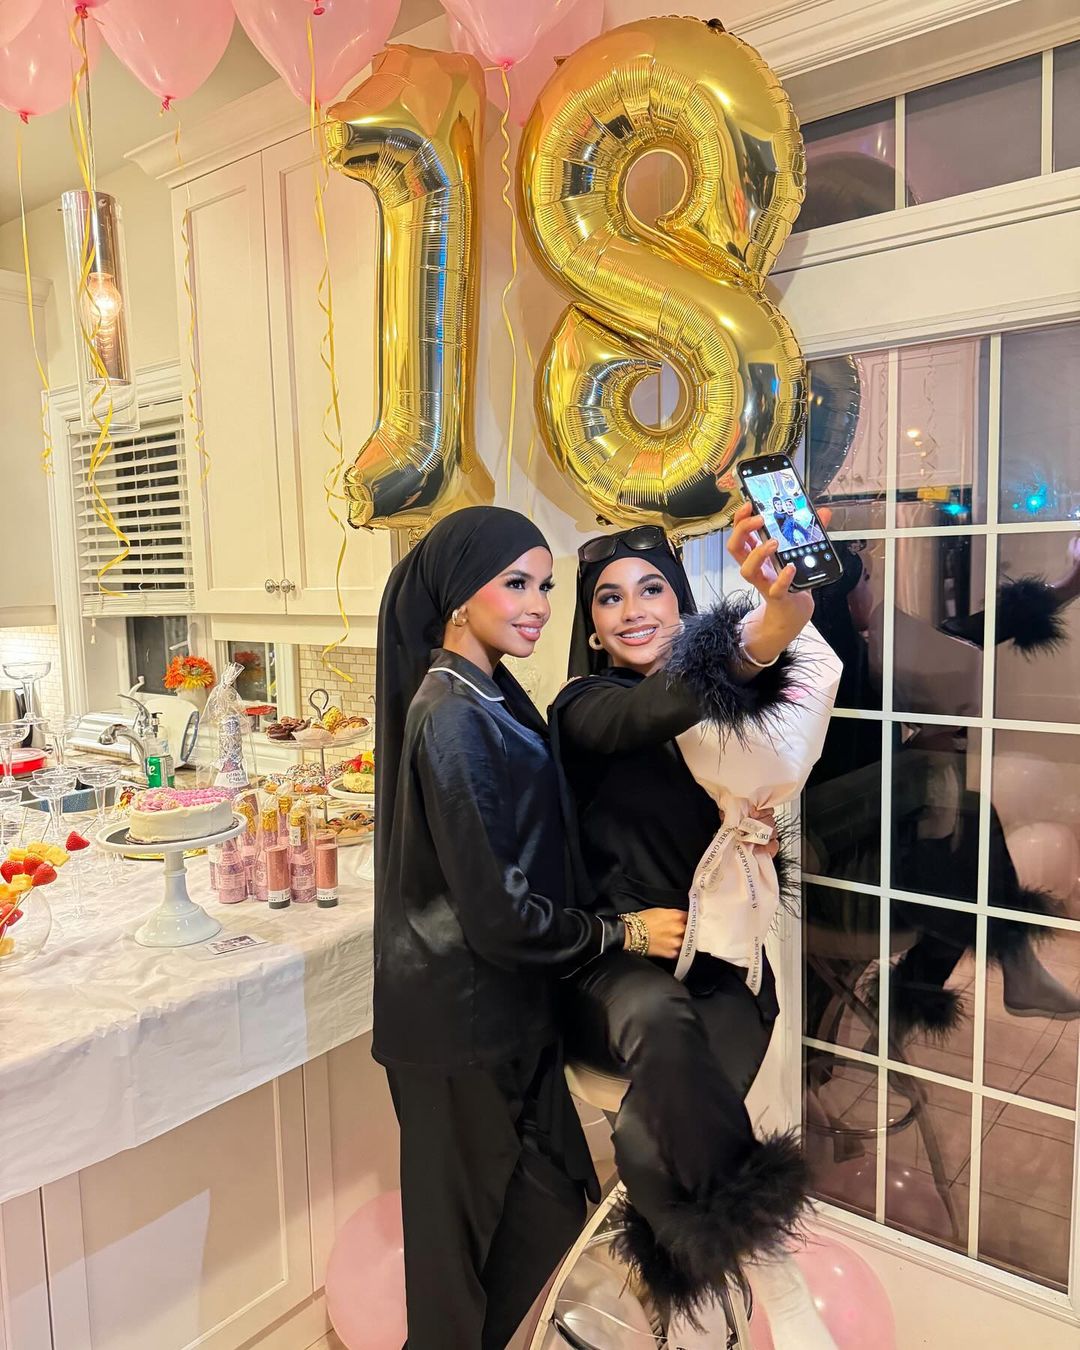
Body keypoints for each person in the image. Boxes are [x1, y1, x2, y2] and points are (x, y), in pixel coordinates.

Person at [373, 506, 686, 1350]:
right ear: (457, 595)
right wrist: (623, 935)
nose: (539, 605)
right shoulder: (452, 714)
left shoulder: (495, 694)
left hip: (510, 1013)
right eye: (516, 583)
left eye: (545, 586)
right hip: (456, 1027)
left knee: (548, 1211)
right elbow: (501, 913)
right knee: (451, 1274)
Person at [550, 504, 838, 1349]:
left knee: (655, 1125)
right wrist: (763, 633)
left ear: (681, 605)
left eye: (652, 590)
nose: (632, 610)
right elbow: (645, 715)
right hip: (614, 968)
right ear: (592, 629)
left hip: (719, 971)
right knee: (658, 1017)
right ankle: (768, 1268)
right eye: (609, 598)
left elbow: (765, 729)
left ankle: (680, 1263)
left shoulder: (730, 721)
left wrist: (779, 622)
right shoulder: (583, 705)